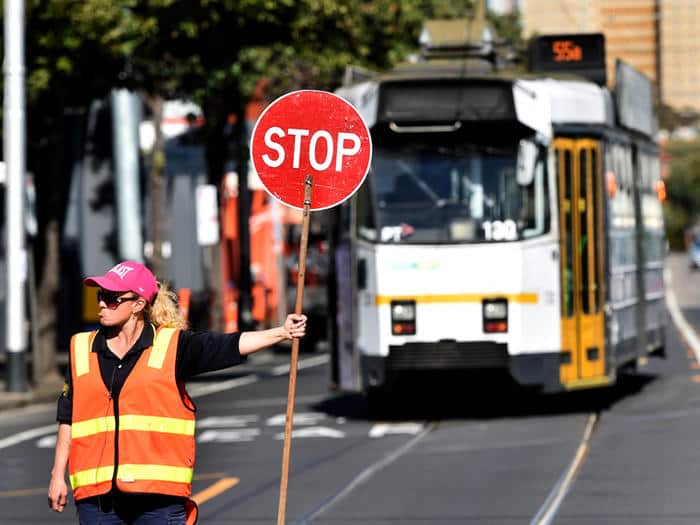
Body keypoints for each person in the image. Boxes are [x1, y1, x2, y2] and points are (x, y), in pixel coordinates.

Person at [47, 261, 307, 524]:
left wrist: (282, 332)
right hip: (98, 504)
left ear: (138, 304)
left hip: (157, 502)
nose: (102, 304)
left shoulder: (172, 346)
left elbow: (228, 345)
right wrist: (58, 476)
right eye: (100, 296)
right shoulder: (80, 348)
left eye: (113, 298)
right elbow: (68, 417)